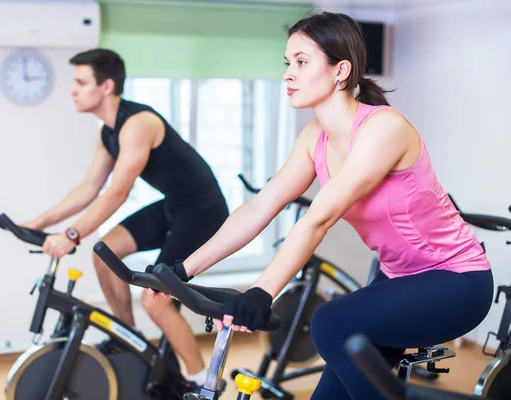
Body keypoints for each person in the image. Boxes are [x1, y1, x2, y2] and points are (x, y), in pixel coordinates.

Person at [149, 11, 494, 400]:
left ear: (340, 71)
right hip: (398, 277)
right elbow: (259, 209)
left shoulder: (384, 128)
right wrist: (182, 270)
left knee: (329, 322)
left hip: (456, 280)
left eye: (301, 62)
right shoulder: (316, 137)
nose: (287, 74)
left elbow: (320, 217)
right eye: (287, 63)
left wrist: (262, 292)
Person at [23, 48, 229, 390]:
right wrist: (40, 223)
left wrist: (71, 235)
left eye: (80, 82)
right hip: (173, 206)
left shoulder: (138, 124)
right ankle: (129, 339)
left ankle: (202, 384)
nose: (73, 89)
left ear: (106, 87)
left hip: (203, 212)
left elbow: (117, 192)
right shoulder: (108, 133)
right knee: (105, 255)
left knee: (156, 301)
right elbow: (90, 187)